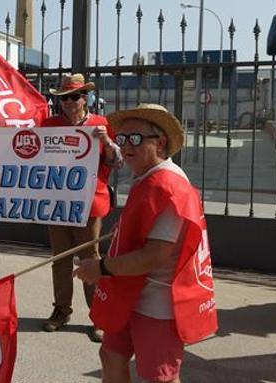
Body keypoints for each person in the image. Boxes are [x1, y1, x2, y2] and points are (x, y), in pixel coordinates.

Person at [74, 103, 217, 383]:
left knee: (158, 376)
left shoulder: (168, 186)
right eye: (122, 138)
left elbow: (156, 255)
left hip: (158, 302)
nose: (126, 146)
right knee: (111, 355)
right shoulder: (148, 177)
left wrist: (100, 268)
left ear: (160, 142)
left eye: (136, 138)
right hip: (131, 292)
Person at [40, 74, 121, 342]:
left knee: (91, 258)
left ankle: (98, 315)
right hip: (58, 202)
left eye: (74, 96)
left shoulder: (100, 124)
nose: (68, 102)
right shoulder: (48, 125)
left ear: (84, 98)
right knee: (60, 257)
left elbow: (116, 162)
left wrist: (106, 141)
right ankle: (61, 310)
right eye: (63, 97)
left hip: (89, 201)